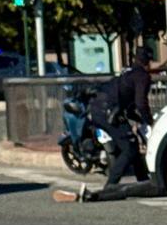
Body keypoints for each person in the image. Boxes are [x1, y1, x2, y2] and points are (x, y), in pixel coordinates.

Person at [52, 47, 161, 203]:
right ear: (148, 62)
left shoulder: (129, 72)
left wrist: (139, 119)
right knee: (129, 148)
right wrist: (150, 120)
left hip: (101, 108)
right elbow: (140, 103)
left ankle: (143, 181)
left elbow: (129, 106)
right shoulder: (142, 76)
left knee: (132, 144)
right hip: (107, 111)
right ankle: (111, 185)